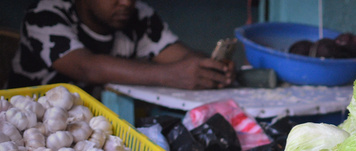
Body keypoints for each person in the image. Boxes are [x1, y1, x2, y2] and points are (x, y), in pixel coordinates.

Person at [7, 0, 234, 90]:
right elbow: (86, 67)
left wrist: (209, 68)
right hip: (28, 129)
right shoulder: (45, 14)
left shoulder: (138, 16)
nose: (126, 2)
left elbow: (179, 56)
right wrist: (171, 75)